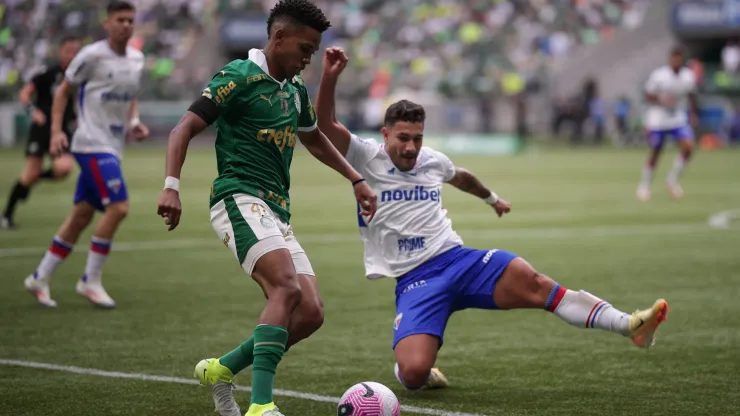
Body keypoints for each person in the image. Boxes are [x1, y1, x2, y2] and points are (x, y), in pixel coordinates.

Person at [316, 47, 669, 391]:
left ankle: (629, 325)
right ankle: (415, 368)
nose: (411, 147)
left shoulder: (432, 160)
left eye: (418, 139)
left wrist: (492, 199)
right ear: (386, 134)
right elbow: (326, 125)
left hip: (458, 260)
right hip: (415, 279)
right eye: (403, 138)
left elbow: (462, 176)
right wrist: (329, 79)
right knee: (413, 373)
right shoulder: (366, 157)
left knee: (536, 283)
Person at [155, 2, 376, 415]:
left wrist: (356, 179)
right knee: (286, 289)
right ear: (278, 38)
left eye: (314, 51)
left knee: (310, 312)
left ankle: (222, 369)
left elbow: (313, 139)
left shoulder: (293, 90)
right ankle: (261, 406)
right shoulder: (237, 77)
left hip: (276, 210)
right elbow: (183, 127)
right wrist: (172, 187)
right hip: (237, 198)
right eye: (305, 48)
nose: (308, 58)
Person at [23, 0, 149, 309]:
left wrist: (133, 122)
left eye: (131, 20)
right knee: (118, 208)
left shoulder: (136, 59)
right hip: (90, 143)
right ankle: (90, 280)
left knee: (80, 216)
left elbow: (130, 95)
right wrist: (56, 132)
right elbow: (63, 92)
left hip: (114, 146)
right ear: (107, 23)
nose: (126, 25)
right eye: (120, 20)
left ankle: (40, 277)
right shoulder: (91, 56)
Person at [2, 36, 82, 229]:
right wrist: (33, 111)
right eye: (68, 51)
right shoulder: (47, 73)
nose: (72, 56)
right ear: (60, 51)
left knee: (64, 168)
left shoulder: (80, 76)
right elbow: (24, 94)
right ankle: (6, 215)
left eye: (75, 52)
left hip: (62, 131)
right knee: (29, 174)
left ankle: (32, 181)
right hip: (42, 129)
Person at [637, 47, 699, 201]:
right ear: (670, 59)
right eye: (674, 58)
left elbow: (692, 95)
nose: (676, 61)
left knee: (689, 147)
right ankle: (645, 185)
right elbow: (647, 95)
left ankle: (672, 180)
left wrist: (693, 113)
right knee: (656, 150)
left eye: (679, 58)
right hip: (658, 118)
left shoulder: (688, 76)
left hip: (677, 117)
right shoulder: (659, 76)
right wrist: (661, 100)